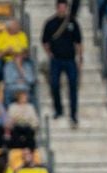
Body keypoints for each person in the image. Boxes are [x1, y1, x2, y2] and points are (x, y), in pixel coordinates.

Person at [41, 0, 83, 128]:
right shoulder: (50, 23)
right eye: (60, 7)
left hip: (70, 59)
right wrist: (49, 54)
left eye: (64, 7)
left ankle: (73, 114)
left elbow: (78, 41)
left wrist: (80, 58)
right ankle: (58, 110)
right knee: (54, 85)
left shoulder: (72, 22)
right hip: (56, 60)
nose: (62, 10)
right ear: (57, 8)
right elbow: (45, 41)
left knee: (73, 87)